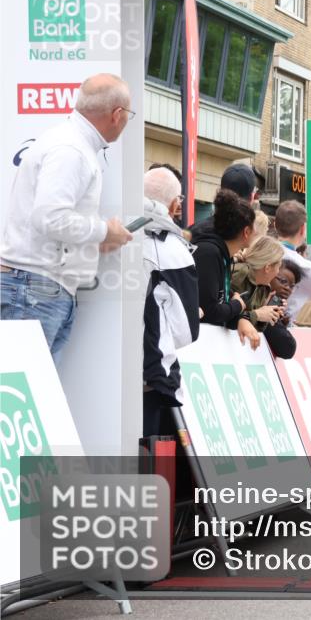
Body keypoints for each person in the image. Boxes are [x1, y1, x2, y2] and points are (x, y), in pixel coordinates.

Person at [1, 73, 135, 360]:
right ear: (118, 114)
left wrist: (95, 239)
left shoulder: (71, 144)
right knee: (15, 394)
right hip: (35, 288)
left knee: (23, 395)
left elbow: (51, 220)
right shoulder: (71, 150)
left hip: (38, 287)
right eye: (129, 115)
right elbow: (50, 217)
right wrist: (103, 232)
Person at [141, 167, 200, 437]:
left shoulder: (107, 229)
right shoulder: (172, 249)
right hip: (150, 375)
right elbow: (185, 331)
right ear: (175, 204)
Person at [191, 189, 261, 351]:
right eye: (254, 227)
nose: (257, 232)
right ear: (246, 232)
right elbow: (210, 310)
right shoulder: (209, 252)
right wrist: (238, 305)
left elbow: (219, 296)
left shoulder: (220, 251)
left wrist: (239, 318)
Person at [231, 236, 297, 359]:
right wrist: (257, 315)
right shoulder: (238, 277)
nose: (278, 272)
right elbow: (224, 317)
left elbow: (255, 326)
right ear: (267, 268)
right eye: (278, 267)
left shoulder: (263, 288)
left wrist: (270, 316)